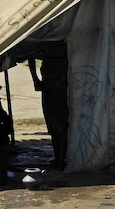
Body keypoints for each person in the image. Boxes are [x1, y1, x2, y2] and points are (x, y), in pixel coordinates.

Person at [28, 41, 69, 170]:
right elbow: (31, 54)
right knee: (53, 125)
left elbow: (31, 55)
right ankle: (58, 158)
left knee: (62, 126)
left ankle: (60, 159)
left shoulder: (64, 40)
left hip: (61, 89)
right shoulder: (47, 38)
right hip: (50, 88)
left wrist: (35, 78)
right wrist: (35, 78)